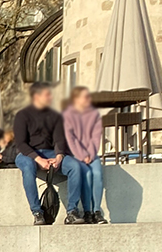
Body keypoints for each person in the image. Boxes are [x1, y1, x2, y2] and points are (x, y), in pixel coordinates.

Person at [12, 83, 84, 224]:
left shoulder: (55, 116)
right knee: (28, 168)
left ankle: (72, 211)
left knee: (75, 166)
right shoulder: (22, 116)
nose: (50, 97)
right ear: (36, 96)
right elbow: (21, 143)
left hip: (51, 153)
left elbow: (59, 140)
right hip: (28, 154)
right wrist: (39, 159)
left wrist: (59, 157)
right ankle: (37, 212)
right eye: (47, 95)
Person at [63, 86, 107, 224]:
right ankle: (87, 211)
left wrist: (91, 154)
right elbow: (71, 139)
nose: (88, 99)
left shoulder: (94, 115)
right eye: (85, 97)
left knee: (98, 173)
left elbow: (96, 137)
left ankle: (97, 211)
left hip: (92, 154)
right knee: (87, 175)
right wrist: (82, 155)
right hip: (76, 154)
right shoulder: (68, 115)